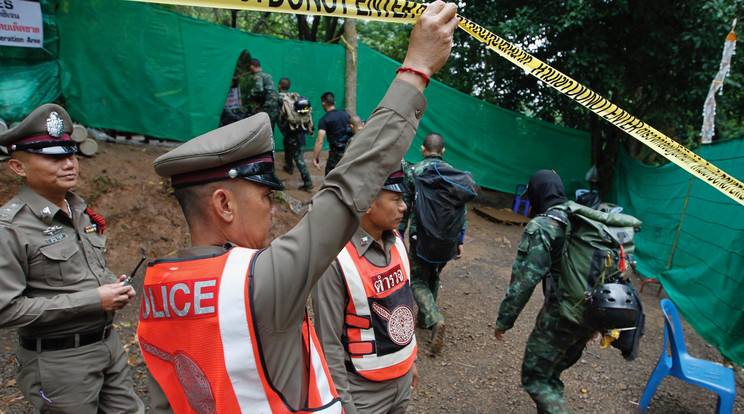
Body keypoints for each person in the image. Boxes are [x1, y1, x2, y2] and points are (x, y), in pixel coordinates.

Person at [137, 2, 459, 412]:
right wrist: (416, 69)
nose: (274, 210)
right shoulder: (259, 281)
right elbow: (345, 191)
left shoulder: (157, 293)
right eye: (266, 196)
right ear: (224, 204)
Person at [0, 104, 144, 413]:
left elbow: (84, 271)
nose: (69, 164)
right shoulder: (10, 228)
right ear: (18, 167)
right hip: (59, 363)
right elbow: (6, 310)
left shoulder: (78, 210)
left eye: (70, 154)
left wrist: (111, 287)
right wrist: (94, 300)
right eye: (53, 157)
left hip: (107, 345)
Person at [312, 170, 418, 414]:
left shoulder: (398, 243)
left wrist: (411, 361)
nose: (404, 207)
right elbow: (328, 343)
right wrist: (344, 405)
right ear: (369, 203)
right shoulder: (334, 260)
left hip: (402, 383)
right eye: (395, 199)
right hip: (363, 394)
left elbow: (404, 307)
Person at [493, 169, 597, 414]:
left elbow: (525, 280)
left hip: (561, 315)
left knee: (536, 378)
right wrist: (598, 323)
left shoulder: (544, 225)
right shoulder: (583, 218)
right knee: (551, 372)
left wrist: (504, 321)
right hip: (591, 312)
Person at [397, 133, 467, 355]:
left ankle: (434, 318)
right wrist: (460, 240)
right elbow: (461, 210)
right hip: (447, 239)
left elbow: (404, 205)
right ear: (443, 151)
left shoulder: (414, 171)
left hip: (421, 237)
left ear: (422, 149)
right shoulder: (454, 173)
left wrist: (398, 235)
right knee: (434, 275)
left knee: (417, 280)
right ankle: (424, 319)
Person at [278, 77, 314, 191]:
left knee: (298, 157)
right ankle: (289, 166)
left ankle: (308, 181)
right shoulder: (294, 98)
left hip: (291, 131)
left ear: (279, 86)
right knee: (287, 144)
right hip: (298, 130)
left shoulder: (280, 99)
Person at [312, 91, 351, 175]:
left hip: (335, 154)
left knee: (329, 179)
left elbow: (320, 140)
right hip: (348, 152)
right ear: (334, 102)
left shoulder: (324, 119)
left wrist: (315, 157)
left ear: (323, 103)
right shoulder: (345, 115)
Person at [245, 58, 281, 133]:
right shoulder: (267, 75)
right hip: (275, 104)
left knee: (265, 130)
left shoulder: (258, 76)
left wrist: (250, 97)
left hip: (268, 105)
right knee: (271, 129)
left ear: (251, 67)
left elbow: (259, 90)